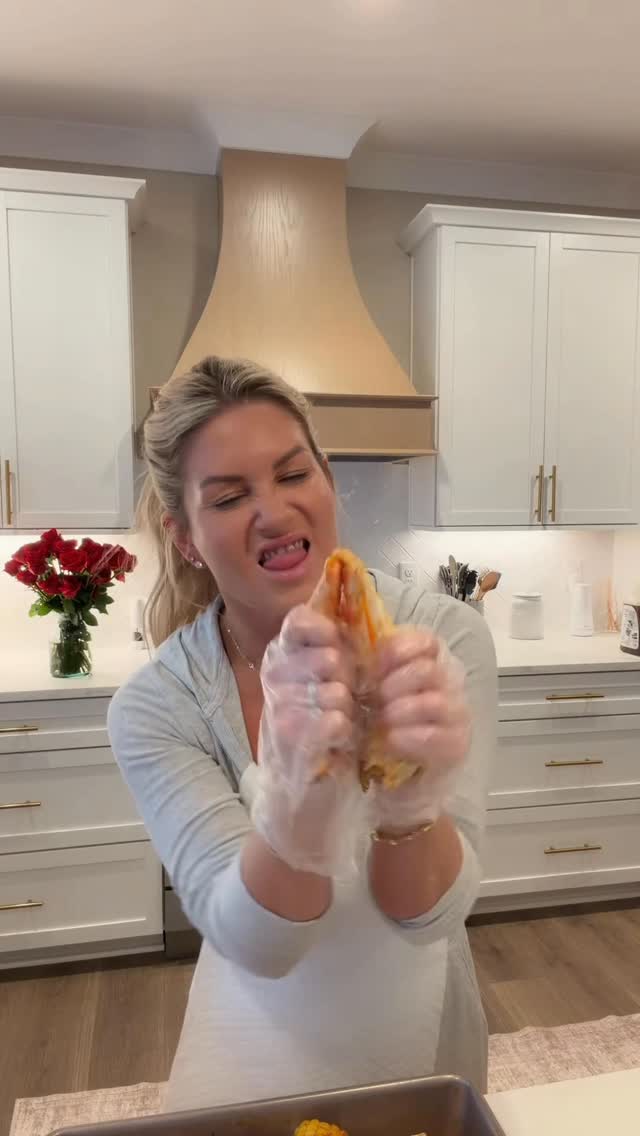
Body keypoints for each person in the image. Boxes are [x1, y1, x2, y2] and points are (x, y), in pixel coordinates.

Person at [108, 355, 497, 1113]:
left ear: (327, 478)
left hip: (425, 1056)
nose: (275, 511)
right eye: (229, 497)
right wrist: (297, 805)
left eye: (293, 474)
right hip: (251, 1059)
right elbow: (261, 945)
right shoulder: (159, 706)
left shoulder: (441, 639)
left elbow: (432, 916)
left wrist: (410, 803)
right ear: (184, 537)